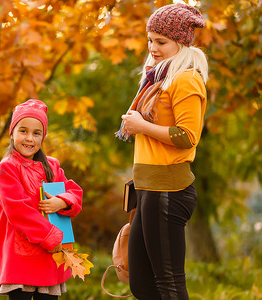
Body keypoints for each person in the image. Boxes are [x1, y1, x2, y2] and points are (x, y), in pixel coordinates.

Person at [115, 3, 208, 299]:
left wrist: (142, 126)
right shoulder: (158, 78)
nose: (152, 48)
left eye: (161, 41)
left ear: (181, 42)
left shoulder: (186, 80)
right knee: (141, 284)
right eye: (150, 40)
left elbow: (187, 137)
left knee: (168, 285)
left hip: (168, 190)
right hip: (148, 189)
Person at [0, 99, 83, 300]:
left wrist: (63, 201)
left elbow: (74, 191)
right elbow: (18, 211)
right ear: (12, 132)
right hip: (21, 257)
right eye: (23, 131)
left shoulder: (51, 165)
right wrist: (51, 237)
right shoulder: (8, 168)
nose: (29, 138)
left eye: (36, 133)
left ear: (43, 136)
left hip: (50, 259)